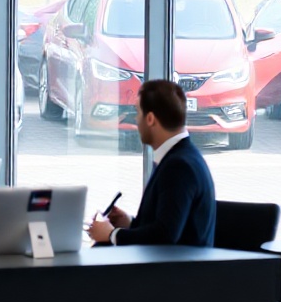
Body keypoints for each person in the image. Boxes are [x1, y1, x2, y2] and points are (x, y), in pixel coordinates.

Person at [87, 79, 215, 247]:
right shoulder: (181, 157)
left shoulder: (178, 167)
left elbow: (165, 236)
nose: (136, 120)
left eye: (138, 113)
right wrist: (131, 223)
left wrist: (112, 235)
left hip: (174, 271)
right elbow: (168, 224)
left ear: (150, 119)